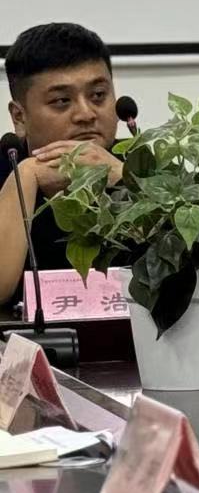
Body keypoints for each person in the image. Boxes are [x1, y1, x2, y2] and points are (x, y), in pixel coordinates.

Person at [0, 23, 123, 305]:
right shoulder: (6, 164)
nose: (86, 114)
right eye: (61, 101)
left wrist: (124, 177)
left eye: (98, 96)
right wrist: (26, 175)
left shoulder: (138, 165)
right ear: (19, 117)